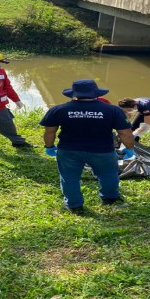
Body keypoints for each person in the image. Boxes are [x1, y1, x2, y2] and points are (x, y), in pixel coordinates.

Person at [40, 79, 136, 214]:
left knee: (69, 177)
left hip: (69, 150)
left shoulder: (59, 109)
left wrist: (49, 146)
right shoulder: (112, 110)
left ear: (74, 94)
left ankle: (74, 206)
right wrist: (130, 148)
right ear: (96, 93)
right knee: (108, 174)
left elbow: (50, 131)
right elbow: (125, 132)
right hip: (103, 151)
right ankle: (110, 198)